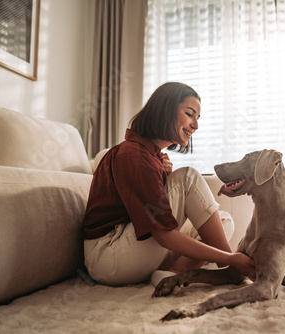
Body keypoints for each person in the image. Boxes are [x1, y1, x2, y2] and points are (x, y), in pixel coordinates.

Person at [82, 82, 255, 286]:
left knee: (223, 220)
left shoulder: (150, 157)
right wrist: (229, 258)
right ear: (166, 110)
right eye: (189, 114)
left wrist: (162, 175)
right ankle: (231, 271)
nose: (195, 125)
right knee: (188, 177)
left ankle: (173, 274)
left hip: (129, 247)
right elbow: (162, 235)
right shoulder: (134, 156)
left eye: (197, 118)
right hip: (108, 257)